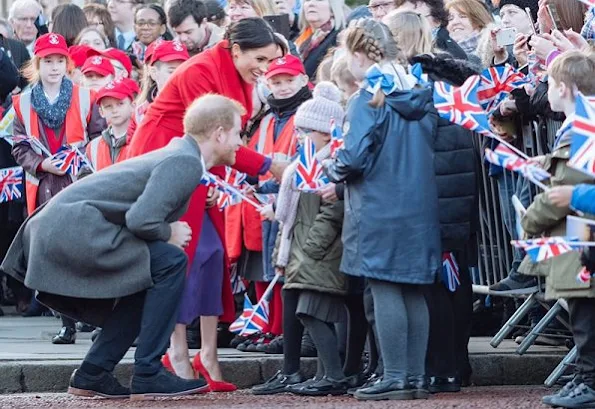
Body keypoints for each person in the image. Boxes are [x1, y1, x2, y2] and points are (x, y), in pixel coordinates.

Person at [1, 93, 247, 400]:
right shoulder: (185, 162)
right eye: (238, 132)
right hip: (70, 229)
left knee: (148, 276)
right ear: (219, 133)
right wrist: (166, 231)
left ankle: (93, 373)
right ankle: (148, 372)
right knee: (170, 261)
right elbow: (142, 220)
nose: (240, 141)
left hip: (57, 228)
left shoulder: (181, 155)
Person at [128, 18, 288, 392]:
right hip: (168, 163)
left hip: (199, 167)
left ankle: (206, 354)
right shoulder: (201, 70)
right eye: (261, 59)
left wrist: (218, 177)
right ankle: (178, 353)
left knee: (212, 256)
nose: (266, 68)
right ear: (236, 51)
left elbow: (219, 143)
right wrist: (269, 165)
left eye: (272, 59)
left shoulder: (234, 72)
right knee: (179, 257)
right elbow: (213, 136)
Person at [324, 18, 441, 401]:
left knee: (385, 285)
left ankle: (394, 375)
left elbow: (354, 156)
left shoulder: (368, 97)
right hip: (419, 204)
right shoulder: (421, 91)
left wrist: (331, 168)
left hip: (379, 203)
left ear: (358, 55)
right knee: (412, 290)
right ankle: (416, 377)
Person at [252, 81, 348, 396]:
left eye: (306, 131)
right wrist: (285, 253)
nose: (299, 136)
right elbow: (290, 218)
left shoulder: (329, 165)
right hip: (298, 252)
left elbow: (330, 213)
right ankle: (292, 371)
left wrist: (309, 248)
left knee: (311, 312)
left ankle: (330, 374)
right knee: (296, 309)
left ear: (324, 133)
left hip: (316, 253)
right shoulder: (300, 166)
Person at [10, 33, 104, 344]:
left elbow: (98, 137)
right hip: (44, 184)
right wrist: (42, 164)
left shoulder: (85, 96)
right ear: (36, 65)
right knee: (51, 255)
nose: (54, 66)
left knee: (85, 251)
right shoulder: (23, 101)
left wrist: (83, 161)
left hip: (79, 181)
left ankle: (93, 316)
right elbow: (19, 146)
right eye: (48, 61)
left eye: (59, 60)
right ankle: (66, 322)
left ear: (67, 63)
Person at [518, 51, 595, 409]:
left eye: (549, 83)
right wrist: (547, 163)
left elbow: (568, 186)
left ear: (563, 88)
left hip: (581, 237)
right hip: (580, 235)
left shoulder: (583, 125)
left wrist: (529, 221)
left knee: (585, 317)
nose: (546, 91)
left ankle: (589, 382)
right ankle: (584, 377)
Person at [227, 54, 312, 355]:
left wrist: (267, 186)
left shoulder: (307, 114)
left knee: (281, 269)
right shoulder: (267, 120)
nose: (283, 86)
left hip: (292, 203)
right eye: (276, 82)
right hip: (261, 205)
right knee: (262, 269)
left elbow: (305, 163)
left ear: (303, 79)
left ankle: (280, 329)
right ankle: (266, 327)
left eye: (289, 80)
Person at [129, 40, 190, 138]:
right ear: (153, 72)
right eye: (171, 71)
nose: (178, 76)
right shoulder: (141, 112)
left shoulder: (195, 105)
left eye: (183, 70)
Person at [392, 0, 467, 60]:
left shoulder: (452, 56)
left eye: (416, 18)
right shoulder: (390, 48)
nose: (408, 24)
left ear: (437, 20)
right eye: (401, 18)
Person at [85, 80, 134, 170]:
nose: (114, 110)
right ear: (101, 112)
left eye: (120, 104)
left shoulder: (141, 140)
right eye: (108, 106)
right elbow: (85, 178)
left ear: (132, 106)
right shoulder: (93, 147)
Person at [294, 0, 346, 79]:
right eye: (307, 0)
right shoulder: (302, 39)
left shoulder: (340, 38)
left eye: (319, 0)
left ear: (332, 9)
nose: (311, 4)